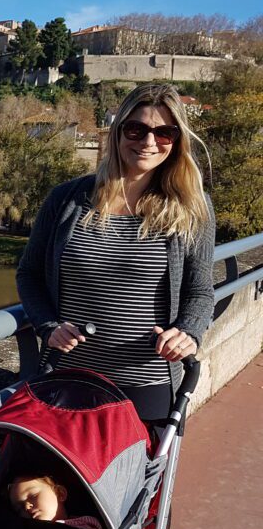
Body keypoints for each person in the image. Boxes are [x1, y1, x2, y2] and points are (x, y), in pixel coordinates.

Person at [16, 82, 216, 425]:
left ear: (176, 140)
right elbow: (29, 274)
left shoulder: (191, 208)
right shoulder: (67, 199)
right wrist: (48, 325)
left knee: (135, 477)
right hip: (66, 376)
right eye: (136, 129)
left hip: (145, 382)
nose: (149, 142)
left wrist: (189, 332)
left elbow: (199, 291)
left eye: (164, 132)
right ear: (118, 131)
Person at [8, 473, 104, 529]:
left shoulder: (85, 525)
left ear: (60, 493)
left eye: (33, 496)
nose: (26, 507)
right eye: (19, 508)